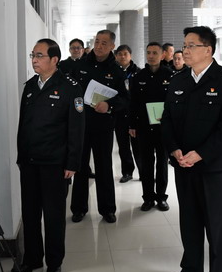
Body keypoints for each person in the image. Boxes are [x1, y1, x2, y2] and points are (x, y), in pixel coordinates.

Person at [161, 26, 222, 272]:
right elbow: (167, 119)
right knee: (189, 220)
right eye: (184, 45)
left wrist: (201, 154)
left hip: (211, 166)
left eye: (191, 45)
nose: (185, 50)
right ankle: (191, 270)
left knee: (216, 225)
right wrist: (174, 149)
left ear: (208, 50)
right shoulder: (178, 79)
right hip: (183, 163)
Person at [15, 38, 85, 272]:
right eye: (32, 55)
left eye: (39, 55)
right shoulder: (30, 86)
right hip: (30, 162)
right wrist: (21, 156)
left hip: (55, 164)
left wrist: (72, 163)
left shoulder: (70, 87)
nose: (34, 60)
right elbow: (24, 125)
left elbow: (77, 128)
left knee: (54, 216)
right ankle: (32, 257)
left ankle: (54, 261)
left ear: (54, 59)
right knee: (30, 213)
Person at [70, 30, 128, 223]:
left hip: (103, 125)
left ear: (112, 46)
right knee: (80, 166)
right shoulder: (80, 65)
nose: (99, 46)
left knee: (104, 167)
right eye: (97, 41)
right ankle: (79, 208)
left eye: (104, 43)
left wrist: (109, 105)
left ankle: (107, 209)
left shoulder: (117, 70)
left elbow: (125, 99)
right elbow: (71, 92)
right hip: (81, 125)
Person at [129, 42, 173, 211]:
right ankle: (148, 198)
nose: (151, 56)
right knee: (146, 164)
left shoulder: (170, 76)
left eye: (155, 53)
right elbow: (133, 103)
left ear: (162, 55)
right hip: (144, 127)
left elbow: (174, 103)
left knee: (162, 163)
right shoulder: (138, 77)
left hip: (163, 127)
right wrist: (132, 125)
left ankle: (161, 197)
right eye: (149, 52)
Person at [114, 44, 141, 183]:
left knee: (139, 146)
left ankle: (143, 172)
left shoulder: (138, 72)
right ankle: (127, 172)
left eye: (125, 54)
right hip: (119, 115)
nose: (122, 56)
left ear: (130, 55)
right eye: (120, 54)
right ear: (116, 56)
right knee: (123, 146)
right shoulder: (113, 72)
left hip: (135, 115)